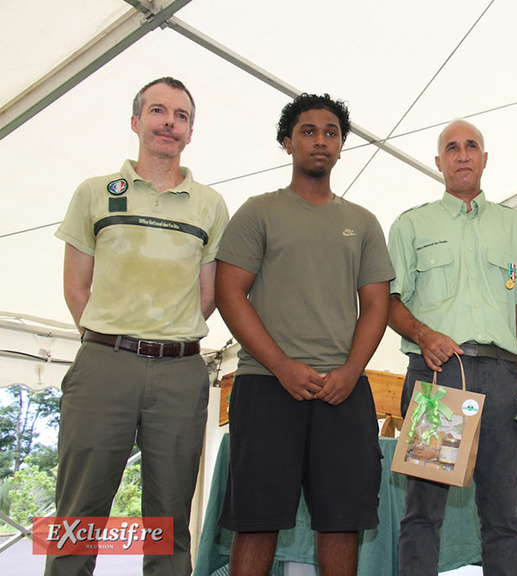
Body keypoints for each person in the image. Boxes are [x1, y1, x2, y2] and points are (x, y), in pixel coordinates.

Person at [49, 77, 229, 576]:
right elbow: (75, 288)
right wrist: (113, 339)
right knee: (77, 515)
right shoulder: (93, 193)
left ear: (191, 133)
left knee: (170, 522)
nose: (169, 122)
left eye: (181, 116)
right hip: (103, 365)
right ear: (136, 122)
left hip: (180, 371)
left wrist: (166, 333)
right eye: (158, 111)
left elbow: (209, 294)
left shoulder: (210, 205)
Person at [215, 93, 394, 576]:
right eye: (309, 131)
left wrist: (351, 372)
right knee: (255, 522)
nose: (321, 140)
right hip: (265, 384)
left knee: (342, 521)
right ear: (287, 141)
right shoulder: (258, 212)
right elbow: (230, 293)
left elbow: (377, 303)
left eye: (331, 132)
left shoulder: (363, 222)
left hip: (344, 391)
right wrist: (282, 367)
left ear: (341, 146)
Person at [388, 119, 517, 576]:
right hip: (438, 377)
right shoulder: (412, 223)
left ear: (484, 158)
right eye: (452, 148)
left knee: (503, 515)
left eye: (471, 146)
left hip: (502, 379)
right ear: (438, 162)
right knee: (423, 512)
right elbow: (388, 303)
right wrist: (423, 335)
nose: (462, 154)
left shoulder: (514, 225)